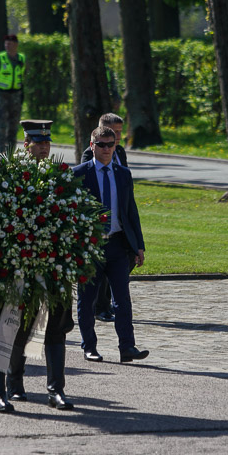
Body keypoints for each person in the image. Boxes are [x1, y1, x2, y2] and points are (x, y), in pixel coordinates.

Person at [0, 119, 76, 411]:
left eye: (47, 143)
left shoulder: (59, 175)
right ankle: (3, 388)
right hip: (17, 266)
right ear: (26, 145)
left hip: (50, 265)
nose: (44, 148)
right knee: (10, 326)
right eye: (39, 143)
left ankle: (55, 390)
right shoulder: (11, 175)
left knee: (54, 327)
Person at [74, 125, 149, 364]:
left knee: (122, 299)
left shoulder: (123, 174)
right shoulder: (78, 174)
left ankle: (127, 347)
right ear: (92, 145)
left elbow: (131, 212)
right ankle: (89, 347)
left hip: (117, 245)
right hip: (90, 246)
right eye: (101, 145)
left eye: (111, 144)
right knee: (88, 299)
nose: (106, 149)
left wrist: (139, 245)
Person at [80, 113, 129, 323]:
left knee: (117, 274)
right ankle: (99, 307)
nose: (117, 137)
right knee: (96, 277)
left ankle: (106, 306)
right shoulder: (88, 155)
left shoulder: (120, 152)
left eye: (119, 132)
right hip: (97, 227)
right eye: (114, 131)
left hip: (117, 224)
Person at [0, 34, 24, 153]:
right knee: (1, 125)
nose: (8, 46)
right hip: (1, 95)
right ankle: (2, 151)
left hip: (16, 95)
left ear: (16, 45)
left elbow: (25, 75)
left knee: (14, 126)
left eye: (10, 44)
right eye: (6, 44)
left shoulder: (21, 59)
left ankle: (11, 153)